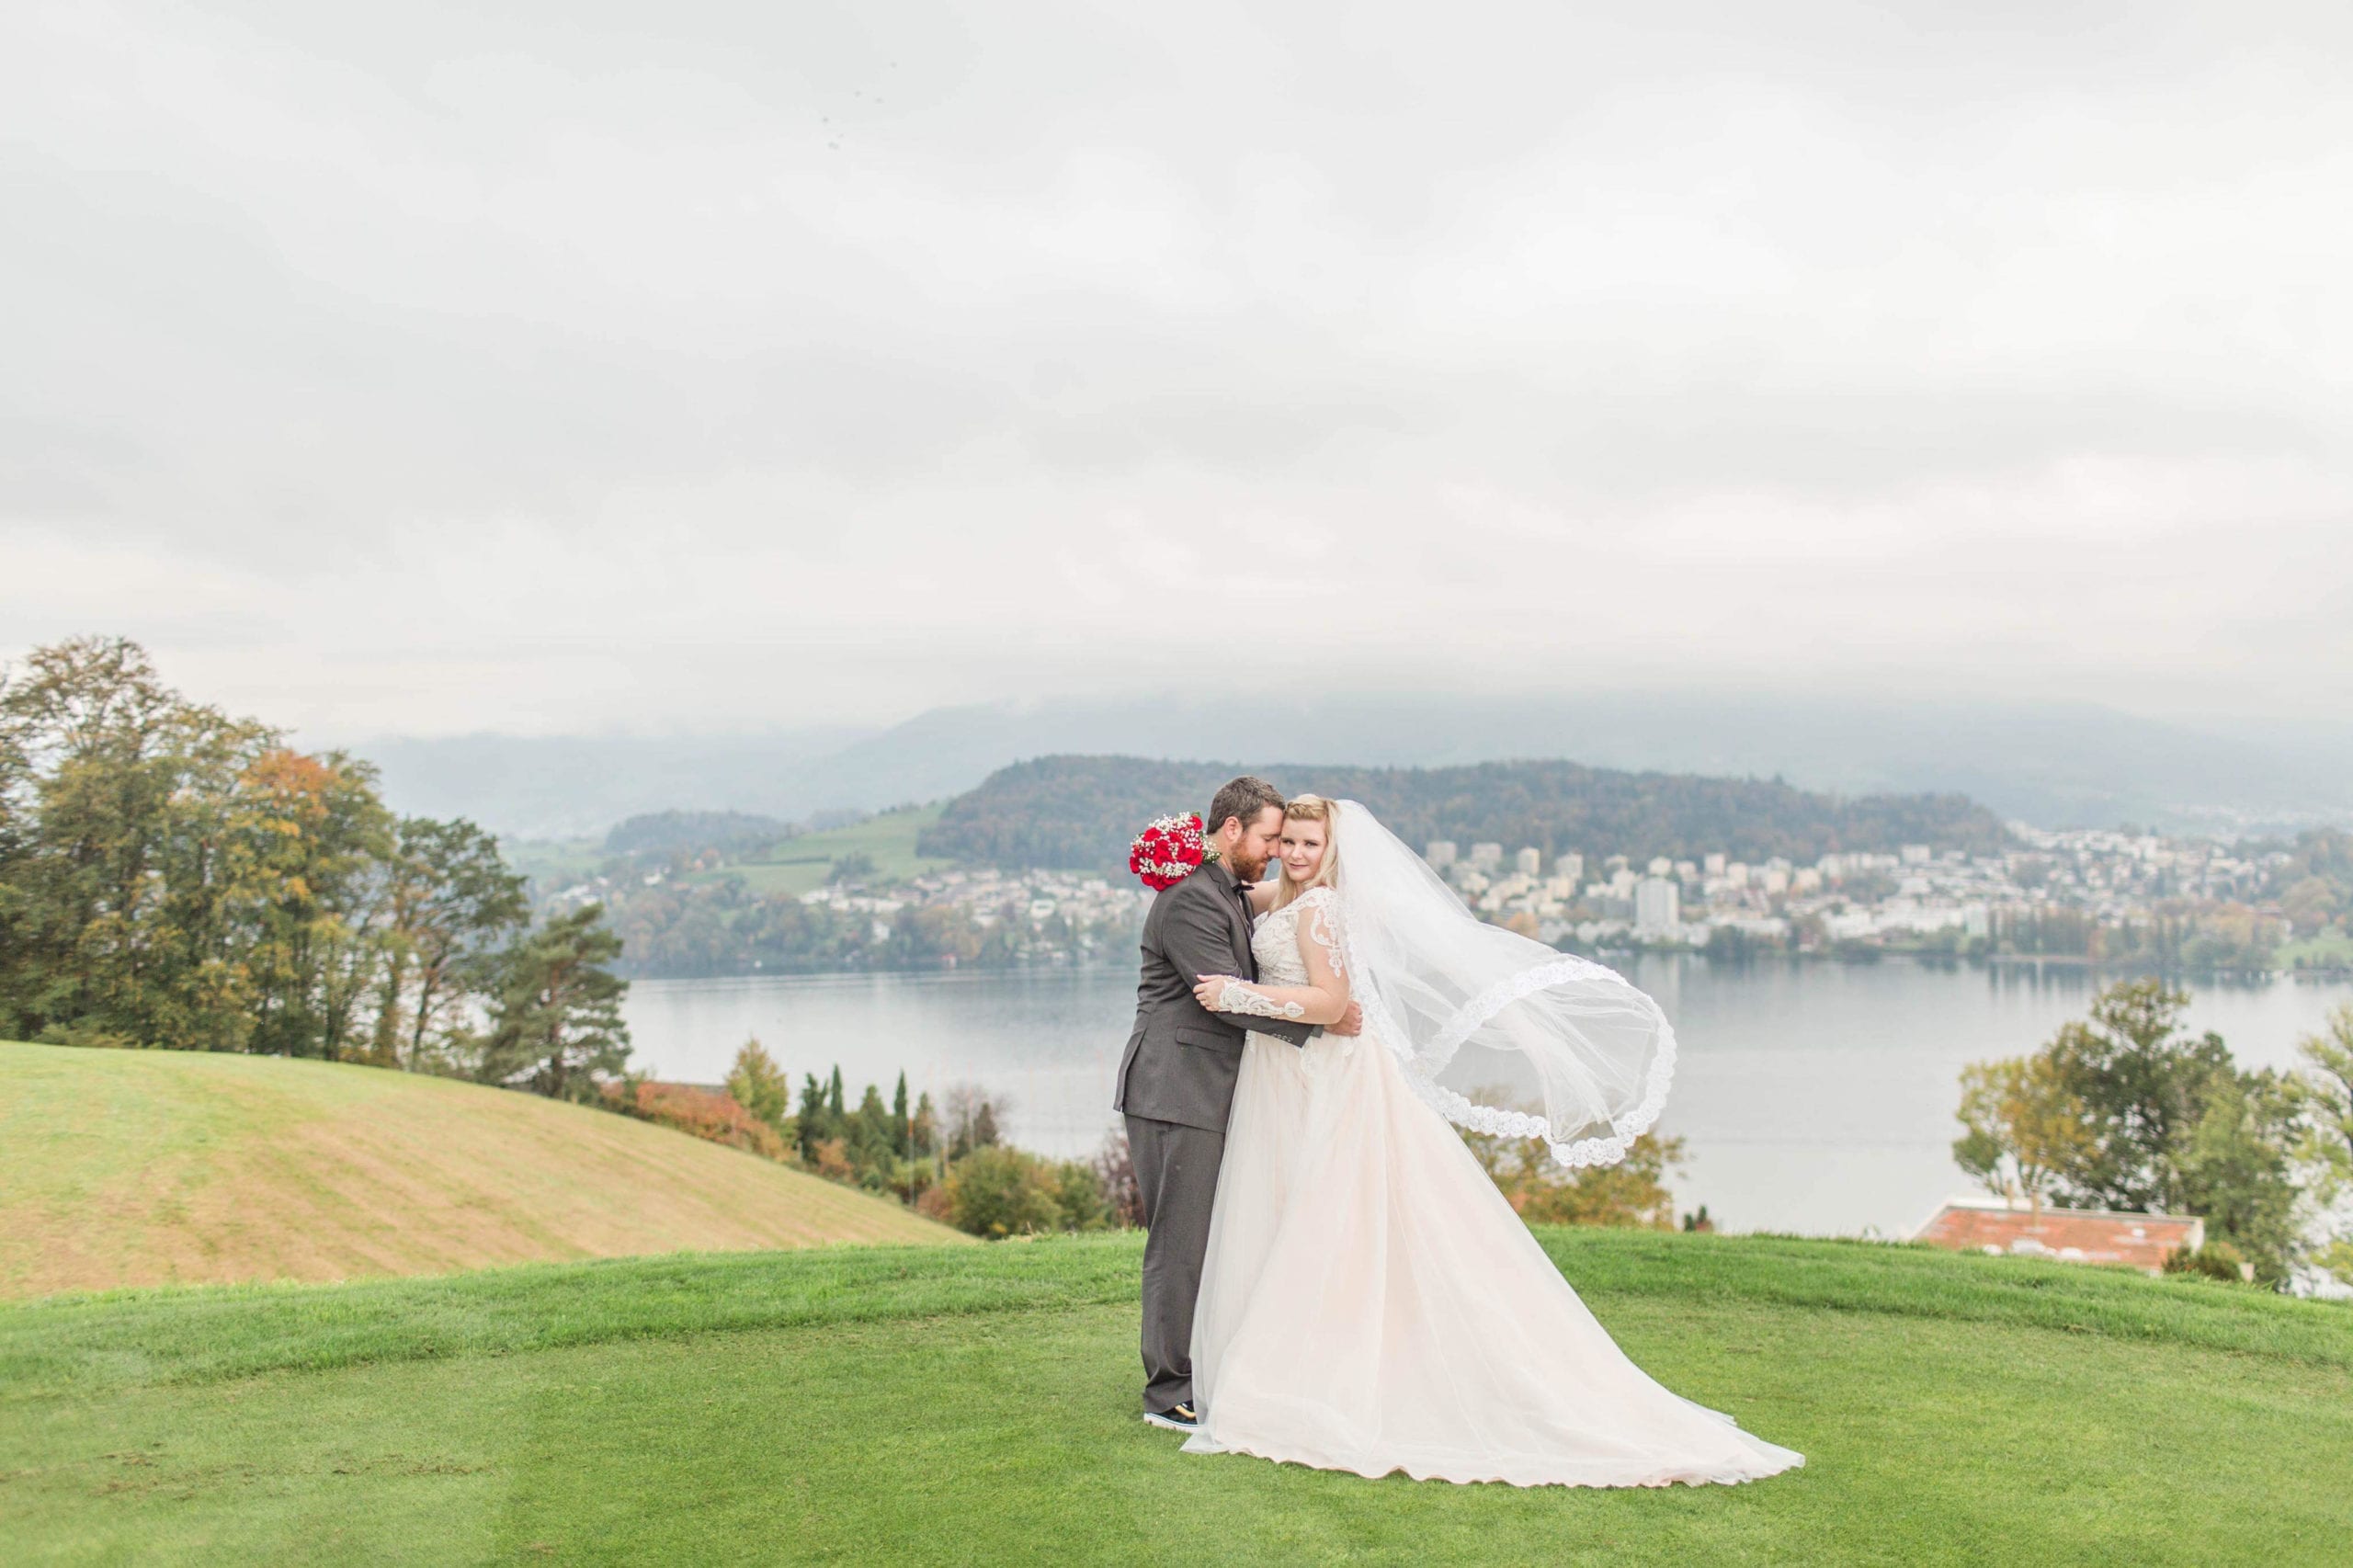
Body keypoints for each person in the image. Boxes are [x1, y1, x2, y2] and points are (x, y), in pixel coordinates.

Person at [1177, 794, 1802, 1488]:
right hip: (1287, 1074)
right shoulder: (1283, 895)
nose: (1294, 854)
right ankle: (1300, 1356)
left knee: (1330, 1217)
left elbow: (1330, 1002)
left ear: (1332, 851)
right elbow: (1231, 889)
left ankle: (1315, 1373)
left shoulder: (1320, 906)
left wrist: (1237, 994)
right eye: (1286, 841)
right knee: (1299, 1210)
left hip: (1325, 1073)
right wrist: (1174, 857)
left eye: (1308, 844)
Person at [1113, 775, 1361, 1431]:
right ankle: (1169, 1394)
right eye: (1272, 839)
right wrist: (1322, 1021)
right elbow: (1220, 998)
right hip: (1177, 1088)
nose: (1279, 852)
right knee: (1180, 1242)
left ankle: (1216, 1362)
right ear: (1232, 831)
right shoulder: (1192, 901)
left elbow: (1290, 914)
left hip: (1210, 1088)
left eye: (1291, 841)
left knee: (1214, 1235)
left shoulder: (1226, 889)